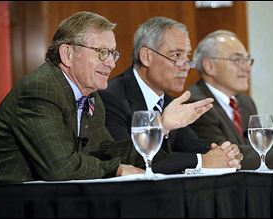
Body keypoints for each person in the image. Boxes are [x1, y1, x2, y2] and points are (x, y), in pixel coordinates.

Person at [0, 11, 217, 184]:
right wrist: (117, 169)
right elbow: (60, 167)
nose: (111, 62)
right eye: (102, 52)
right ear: (67, 54)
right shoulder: (41, 89)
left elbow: (104, 152)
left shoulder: (92, 98)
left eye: (113, 53)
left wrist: (163, 126)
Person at [99, 16, 243, 172]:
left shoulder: (167, 100)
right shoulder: (111, 97)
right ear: (146, 56)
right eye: (176, 55)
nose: (186, 66)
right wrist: (202, 161)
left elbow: (189, 144)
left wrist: (223, 154)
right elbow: (128, 158)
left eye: (187, 57)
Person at [188, 30, 273, 169]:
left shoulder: (245, 102)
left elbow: (265, 146)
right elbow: (227, 156)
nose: (247, 68)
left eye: (247, 60)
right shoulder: (196, 104)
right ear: (209, 66)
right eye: (238, 60)